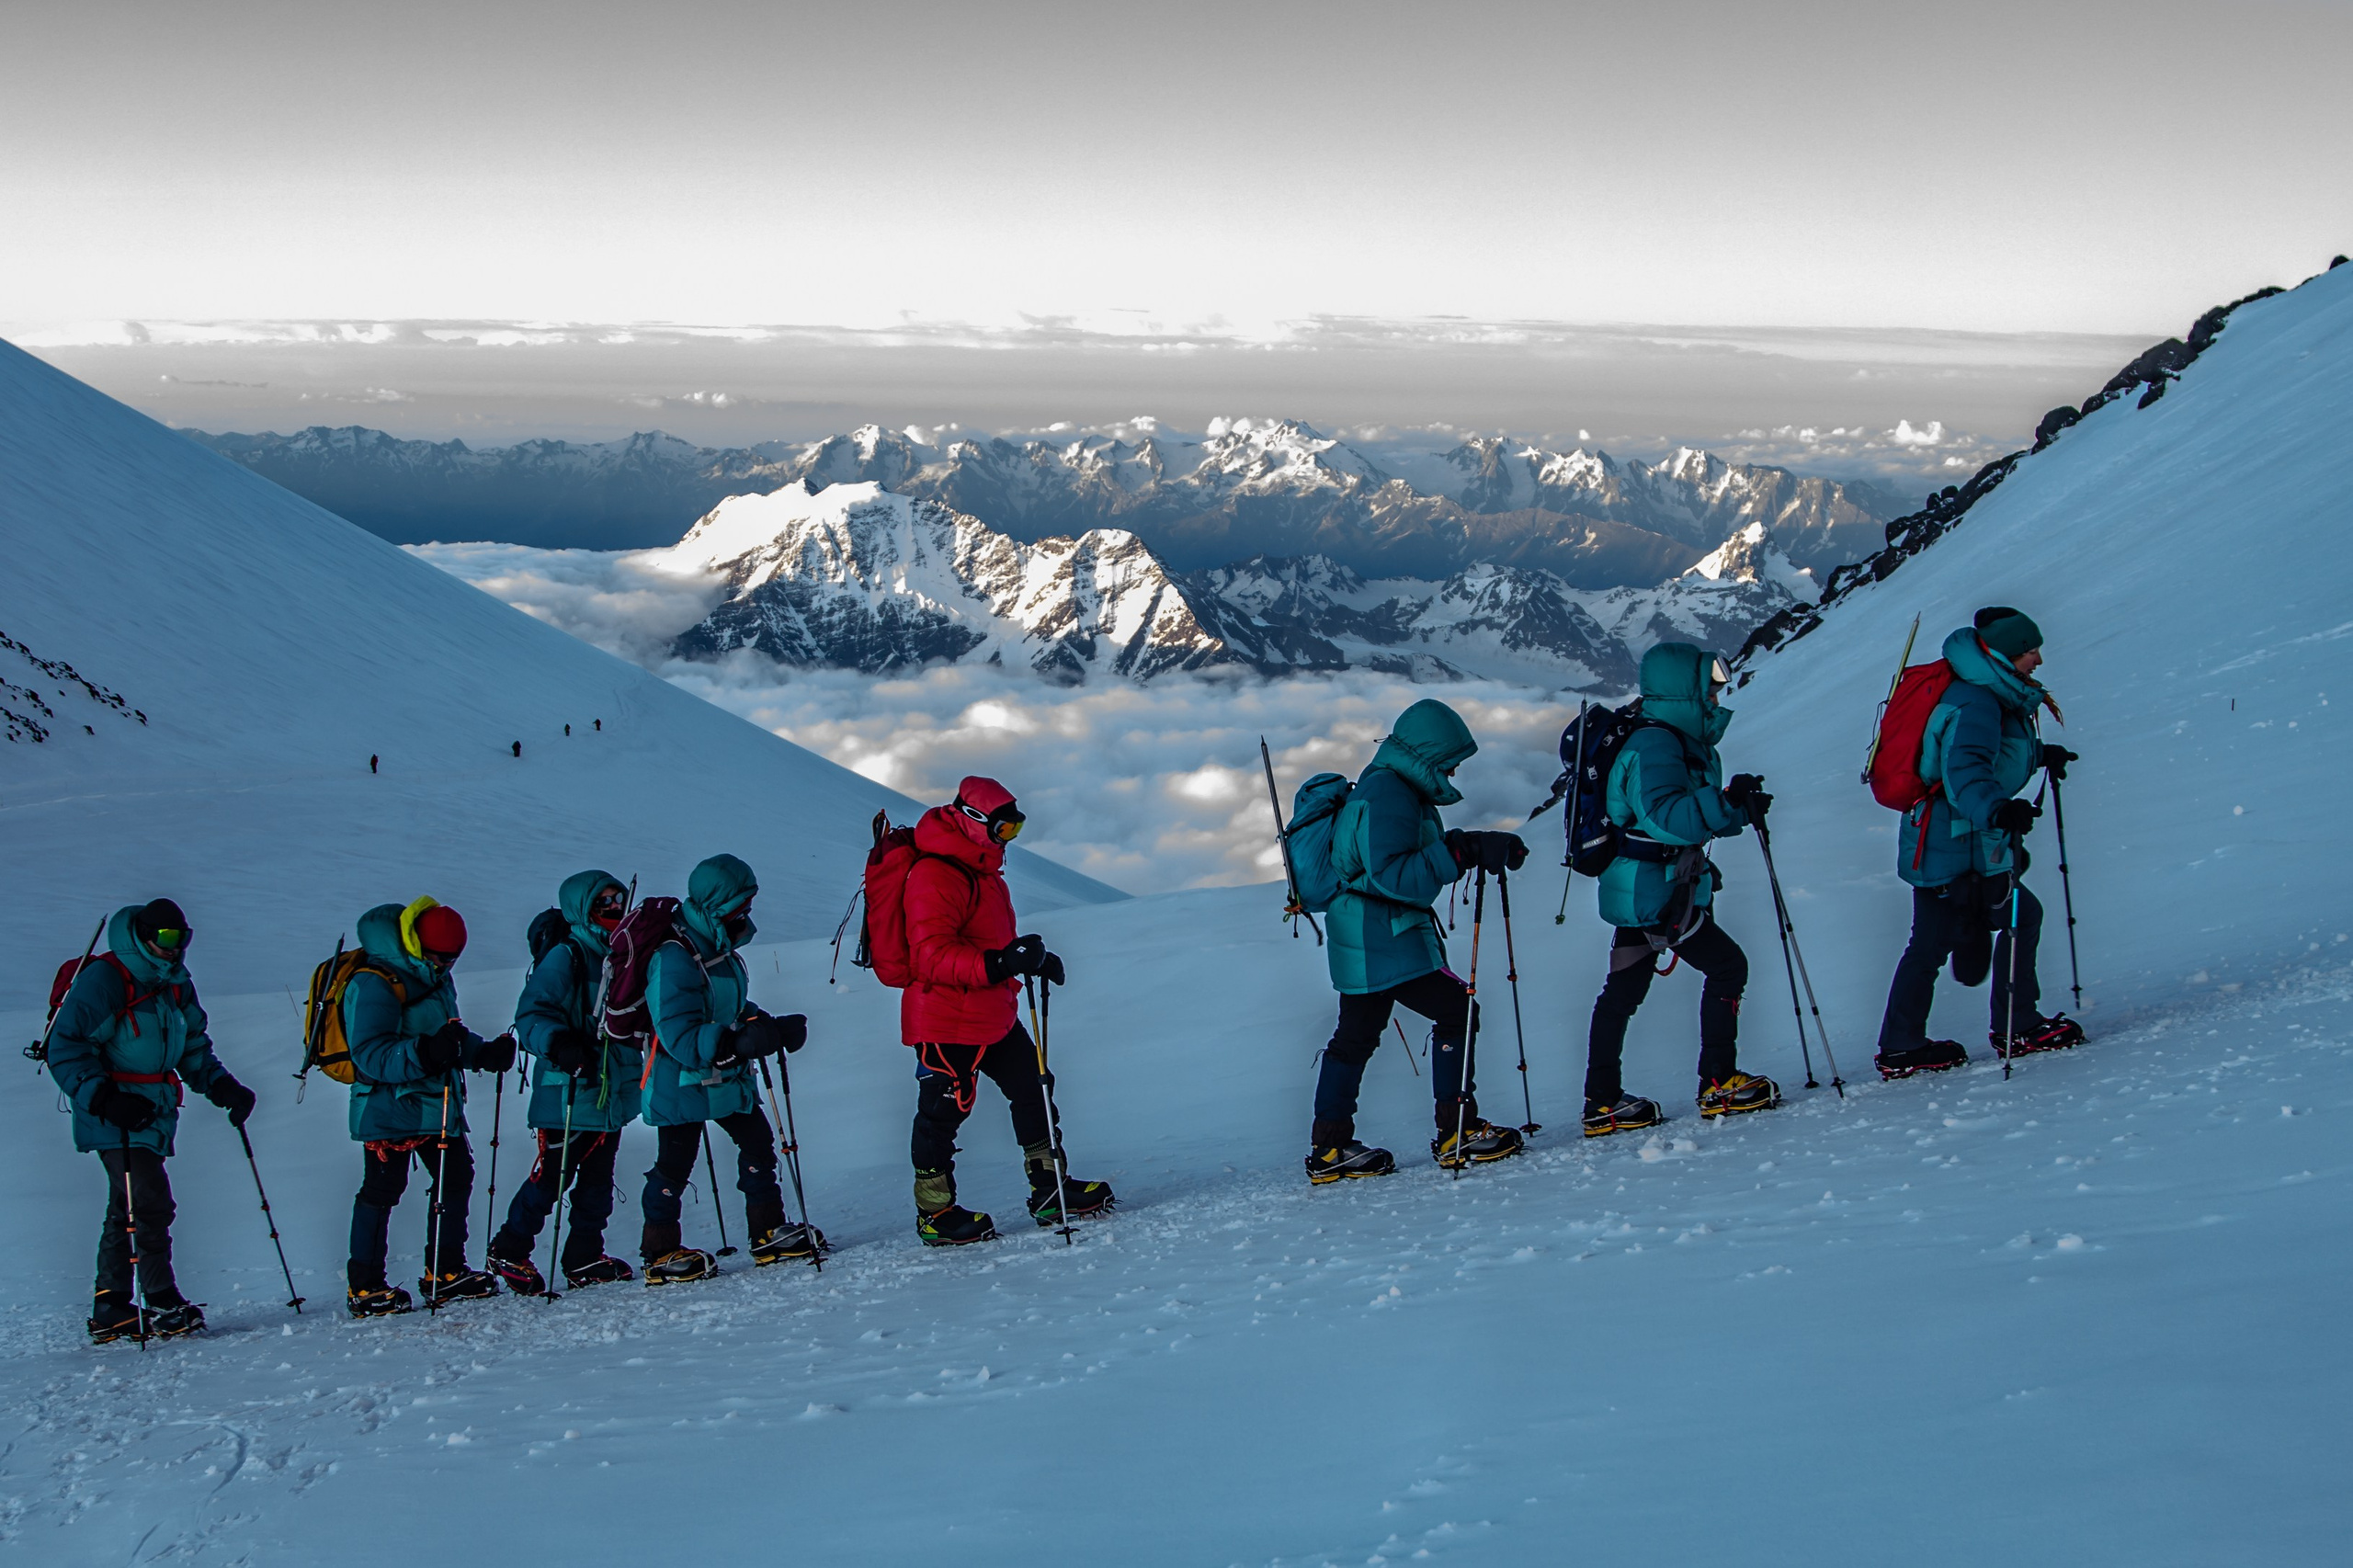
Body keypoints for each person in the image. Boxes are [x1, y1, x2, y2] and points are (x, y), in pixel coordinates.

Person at [1307, 699, 1529, 1183]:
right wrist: (1461, 851)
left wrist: (1464, 846)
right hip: (1382, 933)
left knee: (1355, 1038)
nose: (1452, 769)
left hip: (1368, 935)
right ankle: (1457, 1131)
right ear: (1428, 753)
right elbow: (1392, 876)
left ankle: (1329, 1148)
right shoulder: (1390, 792)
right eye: (1449, 759)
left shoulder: (1391, 784)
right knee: (1457, 1011)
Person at [902, 777, 1114, 1244]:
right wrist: (1002, 963)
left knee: (1034, 1087)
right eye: (1004, 830)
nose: (1008, 840)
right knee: (942, 1112)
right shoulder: (937, 874)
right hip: (945, 1016)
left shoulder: (981, 871)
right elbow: (930, 955)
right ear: (974, 821)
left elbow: (988, 941)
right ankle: (935, 1214)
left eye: (1015, 830)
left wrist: (1028, 959)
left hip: (990, 1009)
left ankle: (1049, 1189)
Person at [1874, 608, 2085, 1076]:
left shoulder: (1982, 691)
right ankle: (2017, 1025)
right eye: (2031, 650)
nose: (2039, 660)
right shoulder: (1978, 702)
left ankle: (1902, 1045)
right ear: (2006, 655)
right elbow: (1965, 771)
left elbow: (1986, 754)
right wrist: (1997, 808)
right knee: (2019, 915)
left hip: (1940, 838)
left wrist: (2035, 755)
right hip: (1960, 841)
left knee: (1930, 943)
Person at [1581, 643, 1779, 1135]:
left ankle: (1602, 1102)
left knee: (1622, 993)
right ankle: (1717, 1082)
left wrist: (1735, 808)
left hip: (1647, 887)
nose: (1716, 696)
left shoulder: (1664, 737)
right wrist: (1726, 801)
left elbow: (1684, 815)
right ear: (1685, 691)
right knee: (1728, 966)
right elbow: (1667, 819)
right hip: (1658, 890)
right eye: (1709, 688)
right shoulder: (1656, 745)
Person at [45, 899, 255, 1344]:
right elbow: (65, 1045)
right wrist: (102, 1096)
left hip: (153, 1111)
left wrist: (223, 1086)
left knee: (129, 1204)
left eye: (182, 939)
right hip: (113, 1111)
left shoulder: (175, 983)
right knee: (149, 1199)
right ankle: (160, 1296)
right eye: (165, 940)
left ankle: (112, 1306)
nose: (175, 949)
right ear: (142, 936)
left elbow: (193, 1046)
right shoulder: (106, 979)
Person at [637, 854, 819, 1283]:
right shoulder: (673, 955)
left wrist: (764, 1025)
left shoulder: (720, 949)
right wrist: (733, 1043)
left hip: (724, 1074)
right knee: (675, 1163)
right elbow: (677, 1030)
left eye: (748, 906)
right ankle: (658, 1253)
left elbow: (728, 1006)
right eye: (740, 906)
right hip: (679, 1079)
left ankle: (768, 1232)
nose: (746, 915)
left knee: (757, 1142)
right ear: (716, 907)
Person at [342, 897, 517, 1316]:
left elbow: (448, 1037)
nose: (446, 966)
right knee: (383, 1190)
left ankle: (445, 1272)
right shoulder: (374, 981)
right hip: (388, 1107)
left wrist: (482, 1053)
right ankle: (364, 1287)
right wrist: (426, 1051)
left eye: (453, 959)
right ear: (417, 943)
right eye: (440, 957)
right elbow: (368, 1054)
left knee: (456, 1178)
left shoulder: (434, 976)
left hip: (436, 1106)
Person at [487, 870, 639, 1292]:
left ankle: (584, 1257)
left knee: (597, 1178)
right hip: (568, 1085)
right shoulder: (568, 954)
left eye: (617, 898)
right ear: (580, 908)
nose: (613, 906)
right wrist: (560, 1045)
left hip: (610, 1086)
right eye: (602, 901)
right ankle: (510, 1247)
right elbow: (532, 1012)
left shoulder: (622, 954)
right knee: (555, 1172)